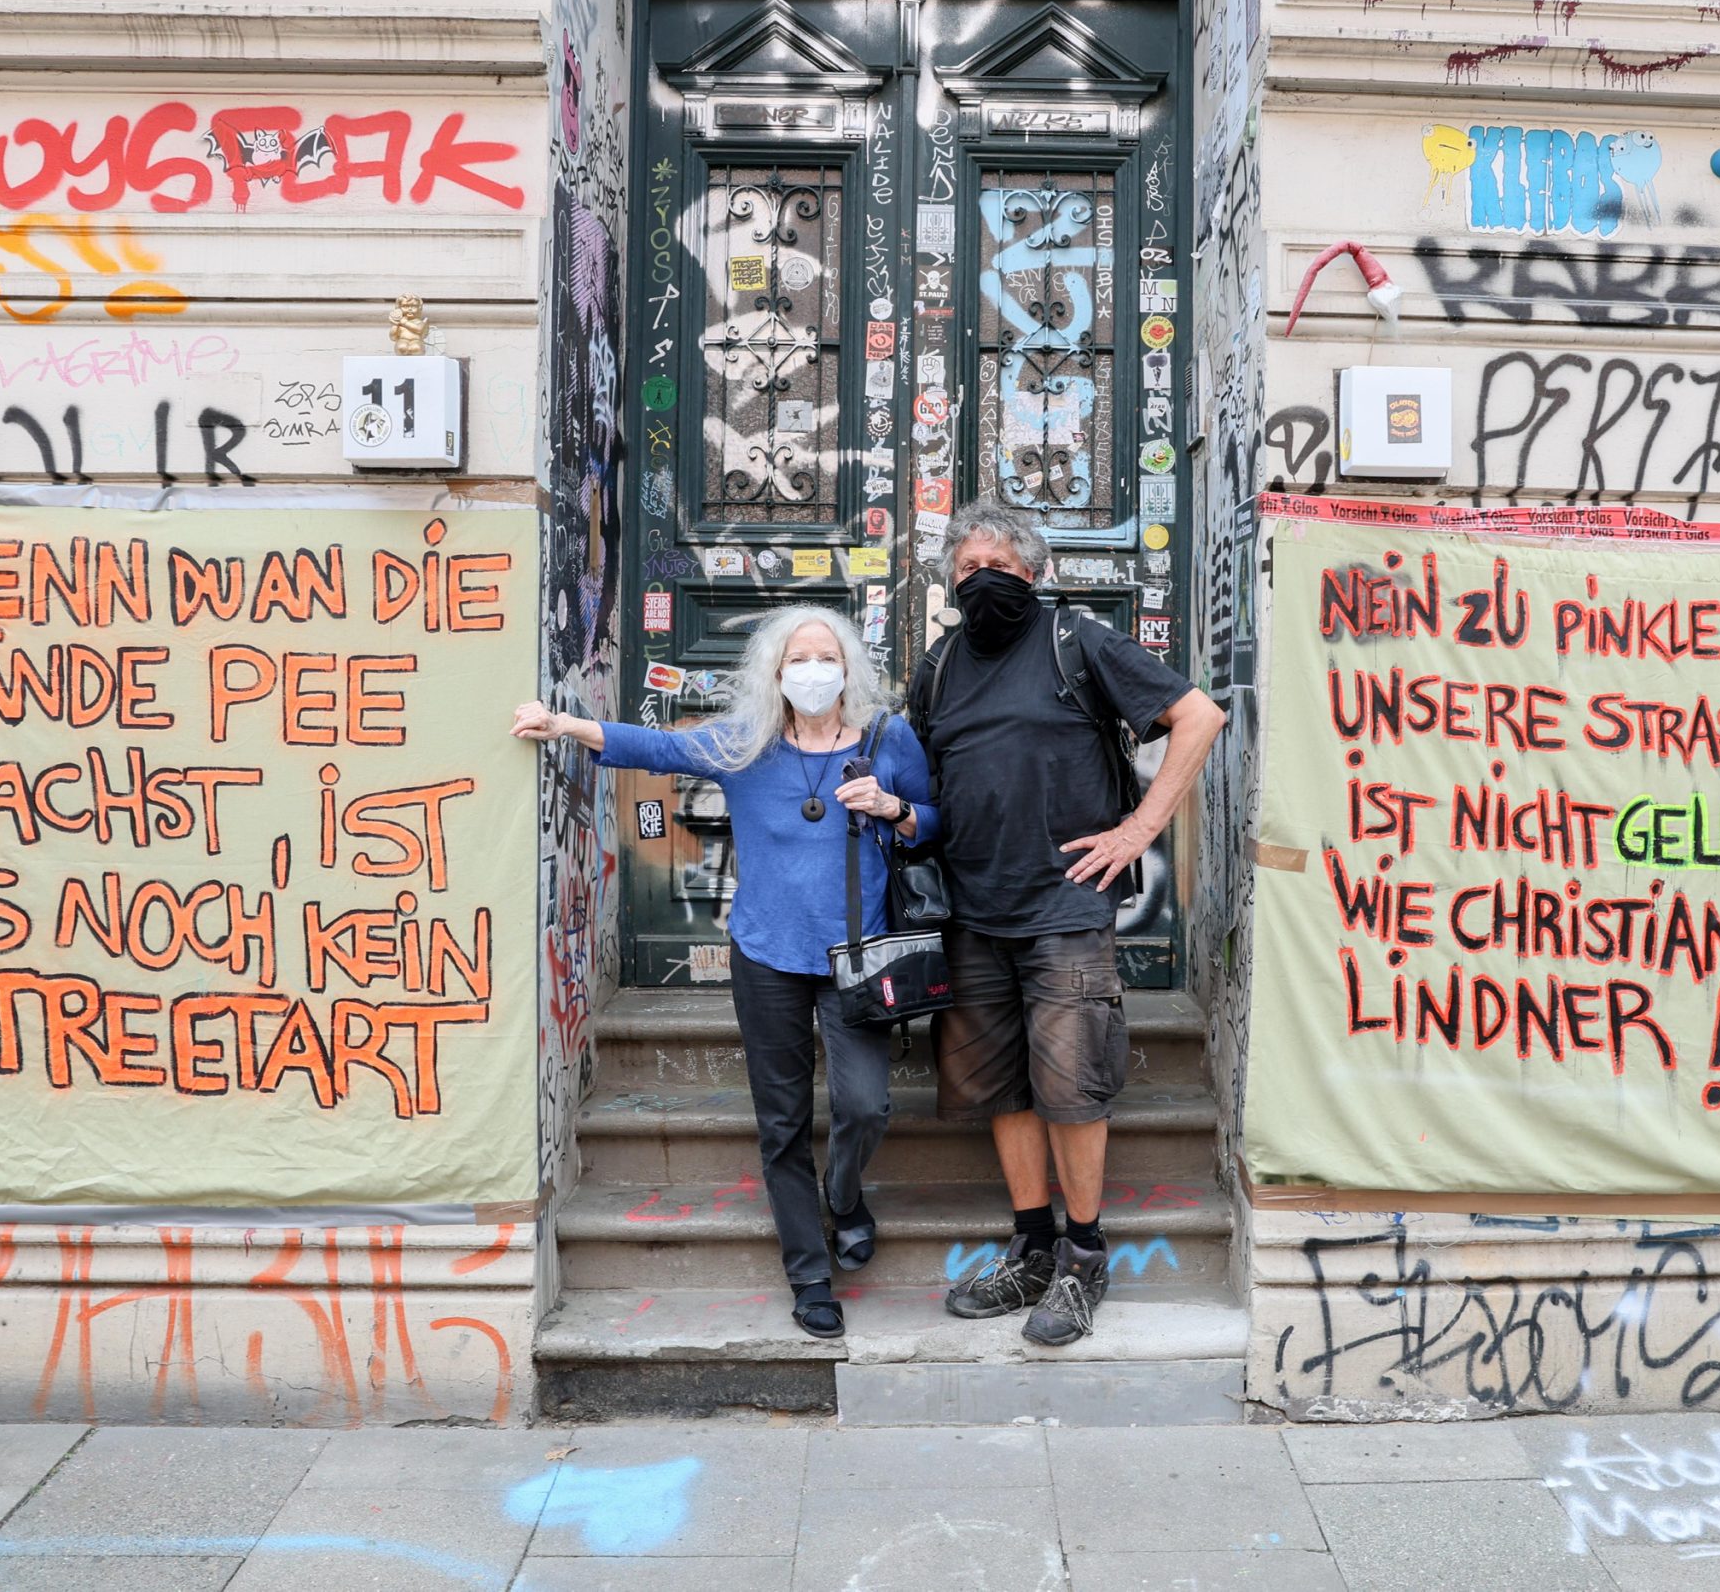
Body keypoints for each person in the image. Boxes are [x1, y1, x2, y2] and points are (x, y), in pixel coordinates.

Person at [510, 606, 936, 1340]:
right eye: (797, 658)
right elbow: (657, 747)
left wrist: (894, 807)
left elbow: (936, 821)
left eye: (825, 656)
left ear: (848, 668)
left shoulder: (885, 737)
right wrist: (566, 725)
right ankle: (809, 1275)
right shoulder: (746, 743)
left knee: (866, 1105)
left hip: (857, 958)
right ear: (775, 672)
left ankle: (844, 1193)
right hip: (767, 955)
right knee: (782, 1123)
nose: (812, 670)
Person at [910, 499, 1226, 1345]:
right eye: (969, 570)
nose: (984, 583)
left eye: (1001, 570)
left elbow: (1199, 716)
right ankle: (1034, 1249)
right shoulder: (937, 666)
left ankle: (1085, 1260)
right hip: (969, 911)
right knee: (1002, 1089)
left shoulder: (1077, 643)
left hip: (1063, 910)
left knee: (1072, 1089)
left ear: (1035, 575)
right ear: (949, 580)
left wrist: (1138, 832)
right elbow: (925, 783)